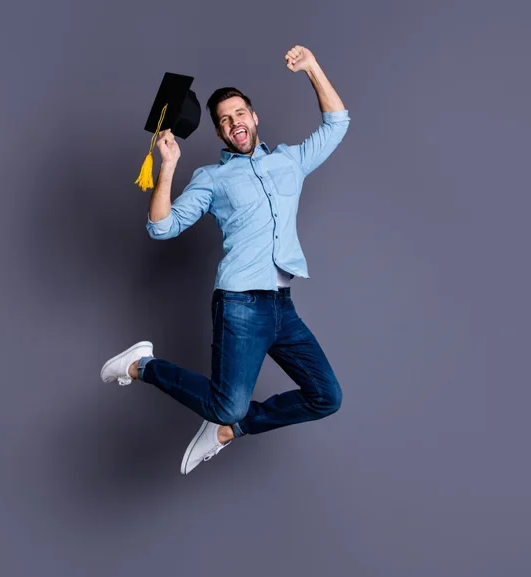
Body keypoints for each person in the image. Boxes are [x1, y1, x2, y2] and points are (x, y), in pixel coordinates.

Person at [101, 45, 350, 475]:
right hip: (239, 303)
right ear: (219, 133)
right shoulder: (212, 179)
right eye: (225, 120)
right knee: (226, 404)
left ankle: (226, 432)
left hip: (281, 307)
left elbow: (337, 122)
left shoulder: (290, 161)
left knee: (326, 396)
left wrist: (312, 68)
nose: (235, 123)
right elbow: (161, 227)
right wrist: (169, 165)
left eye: (240, 114)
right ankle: (143, 365)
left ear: (254, 118)